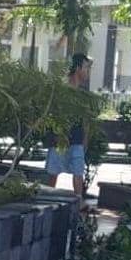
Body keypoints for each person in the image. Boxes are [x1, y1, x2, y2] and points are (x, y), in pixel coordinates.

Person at [45, 54, 91, 199]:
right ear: (78, 68)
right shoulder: (60, 91)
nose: (87, 72)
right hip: (59, 141)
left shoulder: (84, 95)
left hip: (76, 141)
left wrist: (85, 141)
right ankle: (45, 205)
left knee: (78, 175)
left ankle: (77, 210)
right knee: (53, 176)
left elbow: (86, 120)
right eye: (86, 68)